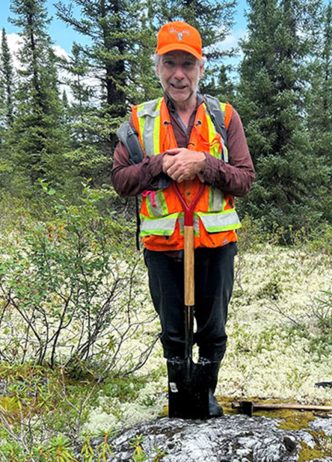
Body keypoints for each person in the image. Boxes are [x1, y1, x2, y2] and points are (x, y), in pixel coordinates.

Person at [111, 21, 255, 418]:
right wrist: (159, 163)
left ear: (200, 67)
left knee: (213, 330)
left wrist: (204, 163)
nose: (179, 74)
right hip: (162, 248)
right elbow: (121, 181)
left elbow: (244, 179)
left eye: (187, 64)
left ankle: (204, 398)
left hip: (216, 245)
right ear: (157, 66)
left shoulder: (224, 117)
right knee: (174, 333)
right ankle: (179, 400)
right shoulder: (139, 121)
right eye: (170, 63)